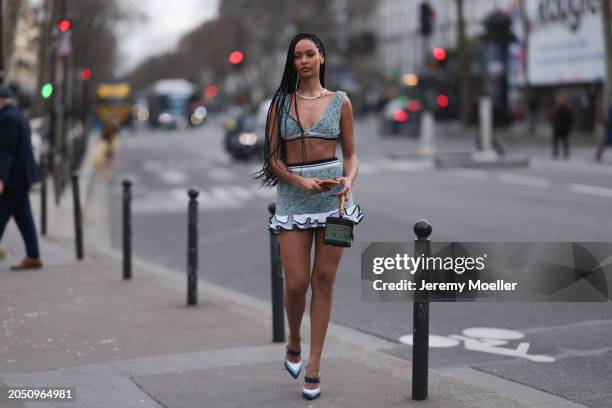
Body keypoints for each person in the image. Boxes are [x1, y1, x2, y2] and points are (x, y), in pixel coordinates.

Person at [255, 33, 364, 400]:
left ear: (322, 57)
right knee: (297, 283)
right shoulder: (280, 104)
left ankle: (315, 364)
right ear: (292, 62)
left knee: (326, 280)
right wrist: (300, 183)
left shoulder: (341, 102)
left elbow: (351, 154)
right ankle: (295, 338)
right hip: (294, 195)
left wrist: (348, 180)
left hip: (334, 199)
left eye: (310, 54)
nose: (304, 60)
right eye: (297, 55)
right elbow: (271, 159)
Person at [0, 85, 43, 270]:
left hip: (12, 179)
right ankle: (33, 256)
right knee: (24, 218)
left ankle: (34, 256)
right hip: (22, 177)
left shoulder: (8, 118)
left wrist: (1, 177)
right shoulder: (18, 115)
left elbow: (6, 151)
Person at [550, 94, 573, 160]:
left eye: (560, 100)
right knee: (555, 140)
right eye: (558, 100)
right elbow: (553, 117)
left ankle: (566, 152)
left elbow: (570, 119)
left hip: (564, 127)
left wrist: (569, 127)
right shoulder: (556, 108)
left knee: (565, 140)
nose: (559, 101)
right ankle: (555, 152)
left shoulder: (567, 109)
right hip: (557, 127)